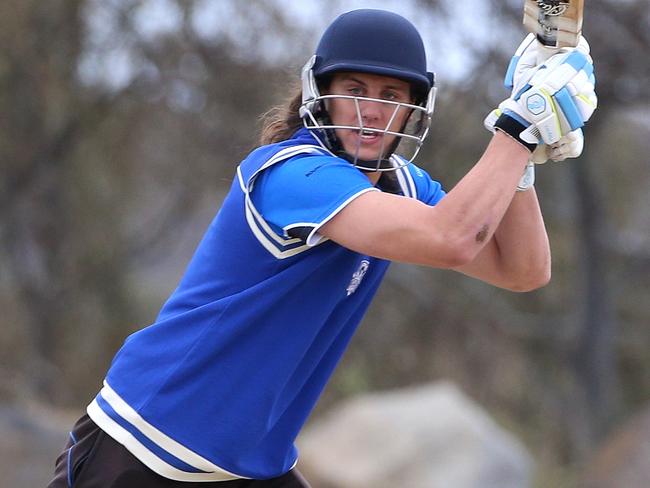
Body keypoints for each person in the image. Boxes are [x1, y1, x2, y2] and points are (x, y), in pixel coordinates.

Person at [48, 8, 596, 488]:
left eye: (391, 96)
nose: (372, 110)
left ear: (413, 110)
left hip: (247, 466)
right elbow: (451, 239)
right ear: (320, 94)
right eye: (355, 89)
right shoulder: (293, 172)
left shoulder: (402, 183)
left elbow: (523, 270)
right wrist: (517, 130)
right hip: (145, 444)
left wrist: (522, 162)